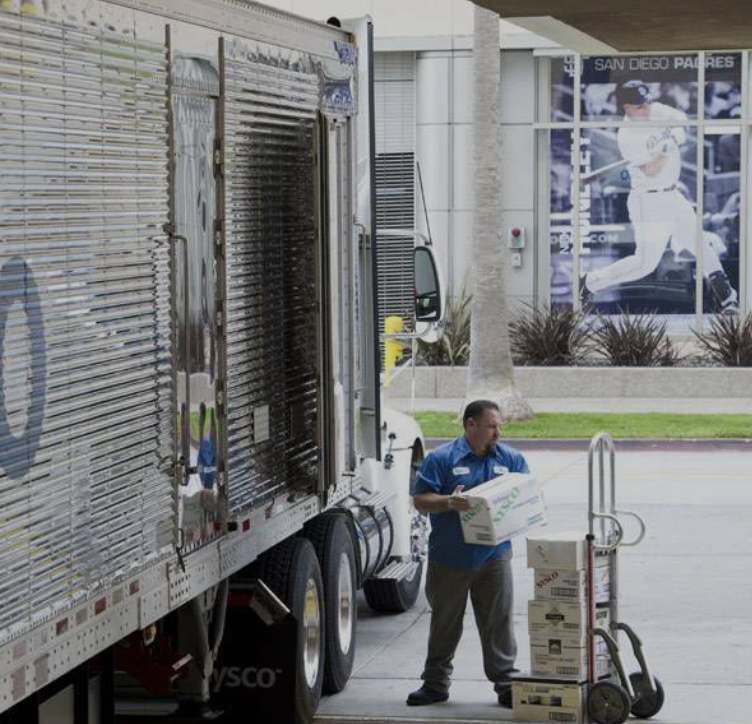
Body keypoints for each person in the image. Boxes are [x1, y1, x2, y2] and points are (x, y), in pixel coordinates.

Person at [406, 400, 529, 709]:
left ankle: (506, 684)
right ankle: (435, 685)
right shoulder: (442, 459)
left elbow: (527, 495)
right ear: (471, 425)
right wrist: (449, 502)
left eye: (499, 425)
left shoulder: (512, 459)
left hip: (495, 556)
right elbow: (420, 500)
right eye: (491, 426)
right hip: (451, 558)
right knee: (445, 622)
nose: (497, 432)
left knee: (498, 622)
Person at [581, 79, 739, 314]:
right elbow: (652, 170)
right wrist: (663, 153)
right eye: (639, 105)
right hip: (648, 200)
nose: (646, 108)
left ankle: (727, 298)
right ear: (626, 107)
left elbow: (682, 122)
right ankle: (589, 283)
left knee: (700, 244)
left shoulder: (656, 110)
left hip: (673, 195)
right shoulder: (626, 136)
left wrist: (669, 142)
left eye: (646, 102)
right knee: (645, 264)